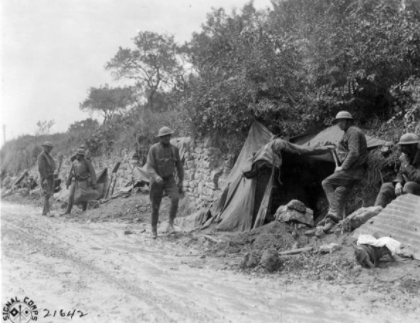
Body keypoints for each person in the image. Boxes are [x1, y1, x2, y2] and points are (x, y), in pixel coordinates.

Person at [322, 111, 368, 222]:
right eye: (338, 121)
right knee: (340, 189)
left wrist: (342, 168)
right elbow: (343, 147)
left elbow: (354, 152)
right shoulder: (347, 133)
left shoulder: (353, 131)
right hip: (353, 170)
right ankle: (335, 215)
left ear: (348, 121)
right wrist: (334, 144)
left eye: (342, 121)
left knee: (326, 182)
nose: (339, 123)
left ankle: (333, 211)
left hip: (355, 170)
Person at [146, 126, 184, 239]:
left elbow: (179, 167)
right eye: (164, 136)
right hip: (156, 181)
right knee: (155, 206)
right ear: (160, 138)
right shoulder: (153, 149)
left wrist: (181, 181)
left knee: (176, 198)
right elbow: (149, 167)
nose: (167, 138)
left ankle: (171, 223)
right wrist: (156, 176)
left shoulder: (174, 149)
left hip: (169, 179)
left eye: (168, 136)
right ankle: (154, 229)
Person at [374, 133, 420, 208]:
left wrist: (406, 165)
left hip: (416, 188)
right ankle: (375, 212)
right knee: (386, 187)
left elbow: (417, 178)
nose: (402, 149)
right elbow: (400, 173)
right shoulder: (408, 156)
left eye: (404, 146)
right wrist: (398, 183)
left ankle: (405, 214)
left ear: (413, 146)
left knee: (409, 185)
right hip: (408, 186)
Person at [62, 148, 98, 214]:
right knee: (71, 195)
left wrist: (94, 183)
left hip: (83, 181)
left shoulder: (87, 162)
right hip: (74, 181)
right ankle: (68, 210)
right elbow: (70, 172)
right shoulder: (74, 162)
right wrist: (68, 182)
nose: (76, 156)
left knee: (83, 196)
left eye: (77, 155)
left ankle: (84, 210)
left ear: (81, 156)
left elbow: (92, 173)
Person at [38, 141, 56, 216]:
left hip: (50, 176)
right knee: (46, 194)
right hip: (45, 177)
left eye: (50, 148)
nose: (50, 150)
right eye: (48, 148)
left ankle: (44, 211)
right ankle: (48, 211)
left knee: (49, 194)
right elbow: (41, 168)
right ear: (44, 147)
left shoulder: (48, 156)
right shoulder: (41, 156)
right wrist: (44, 178)